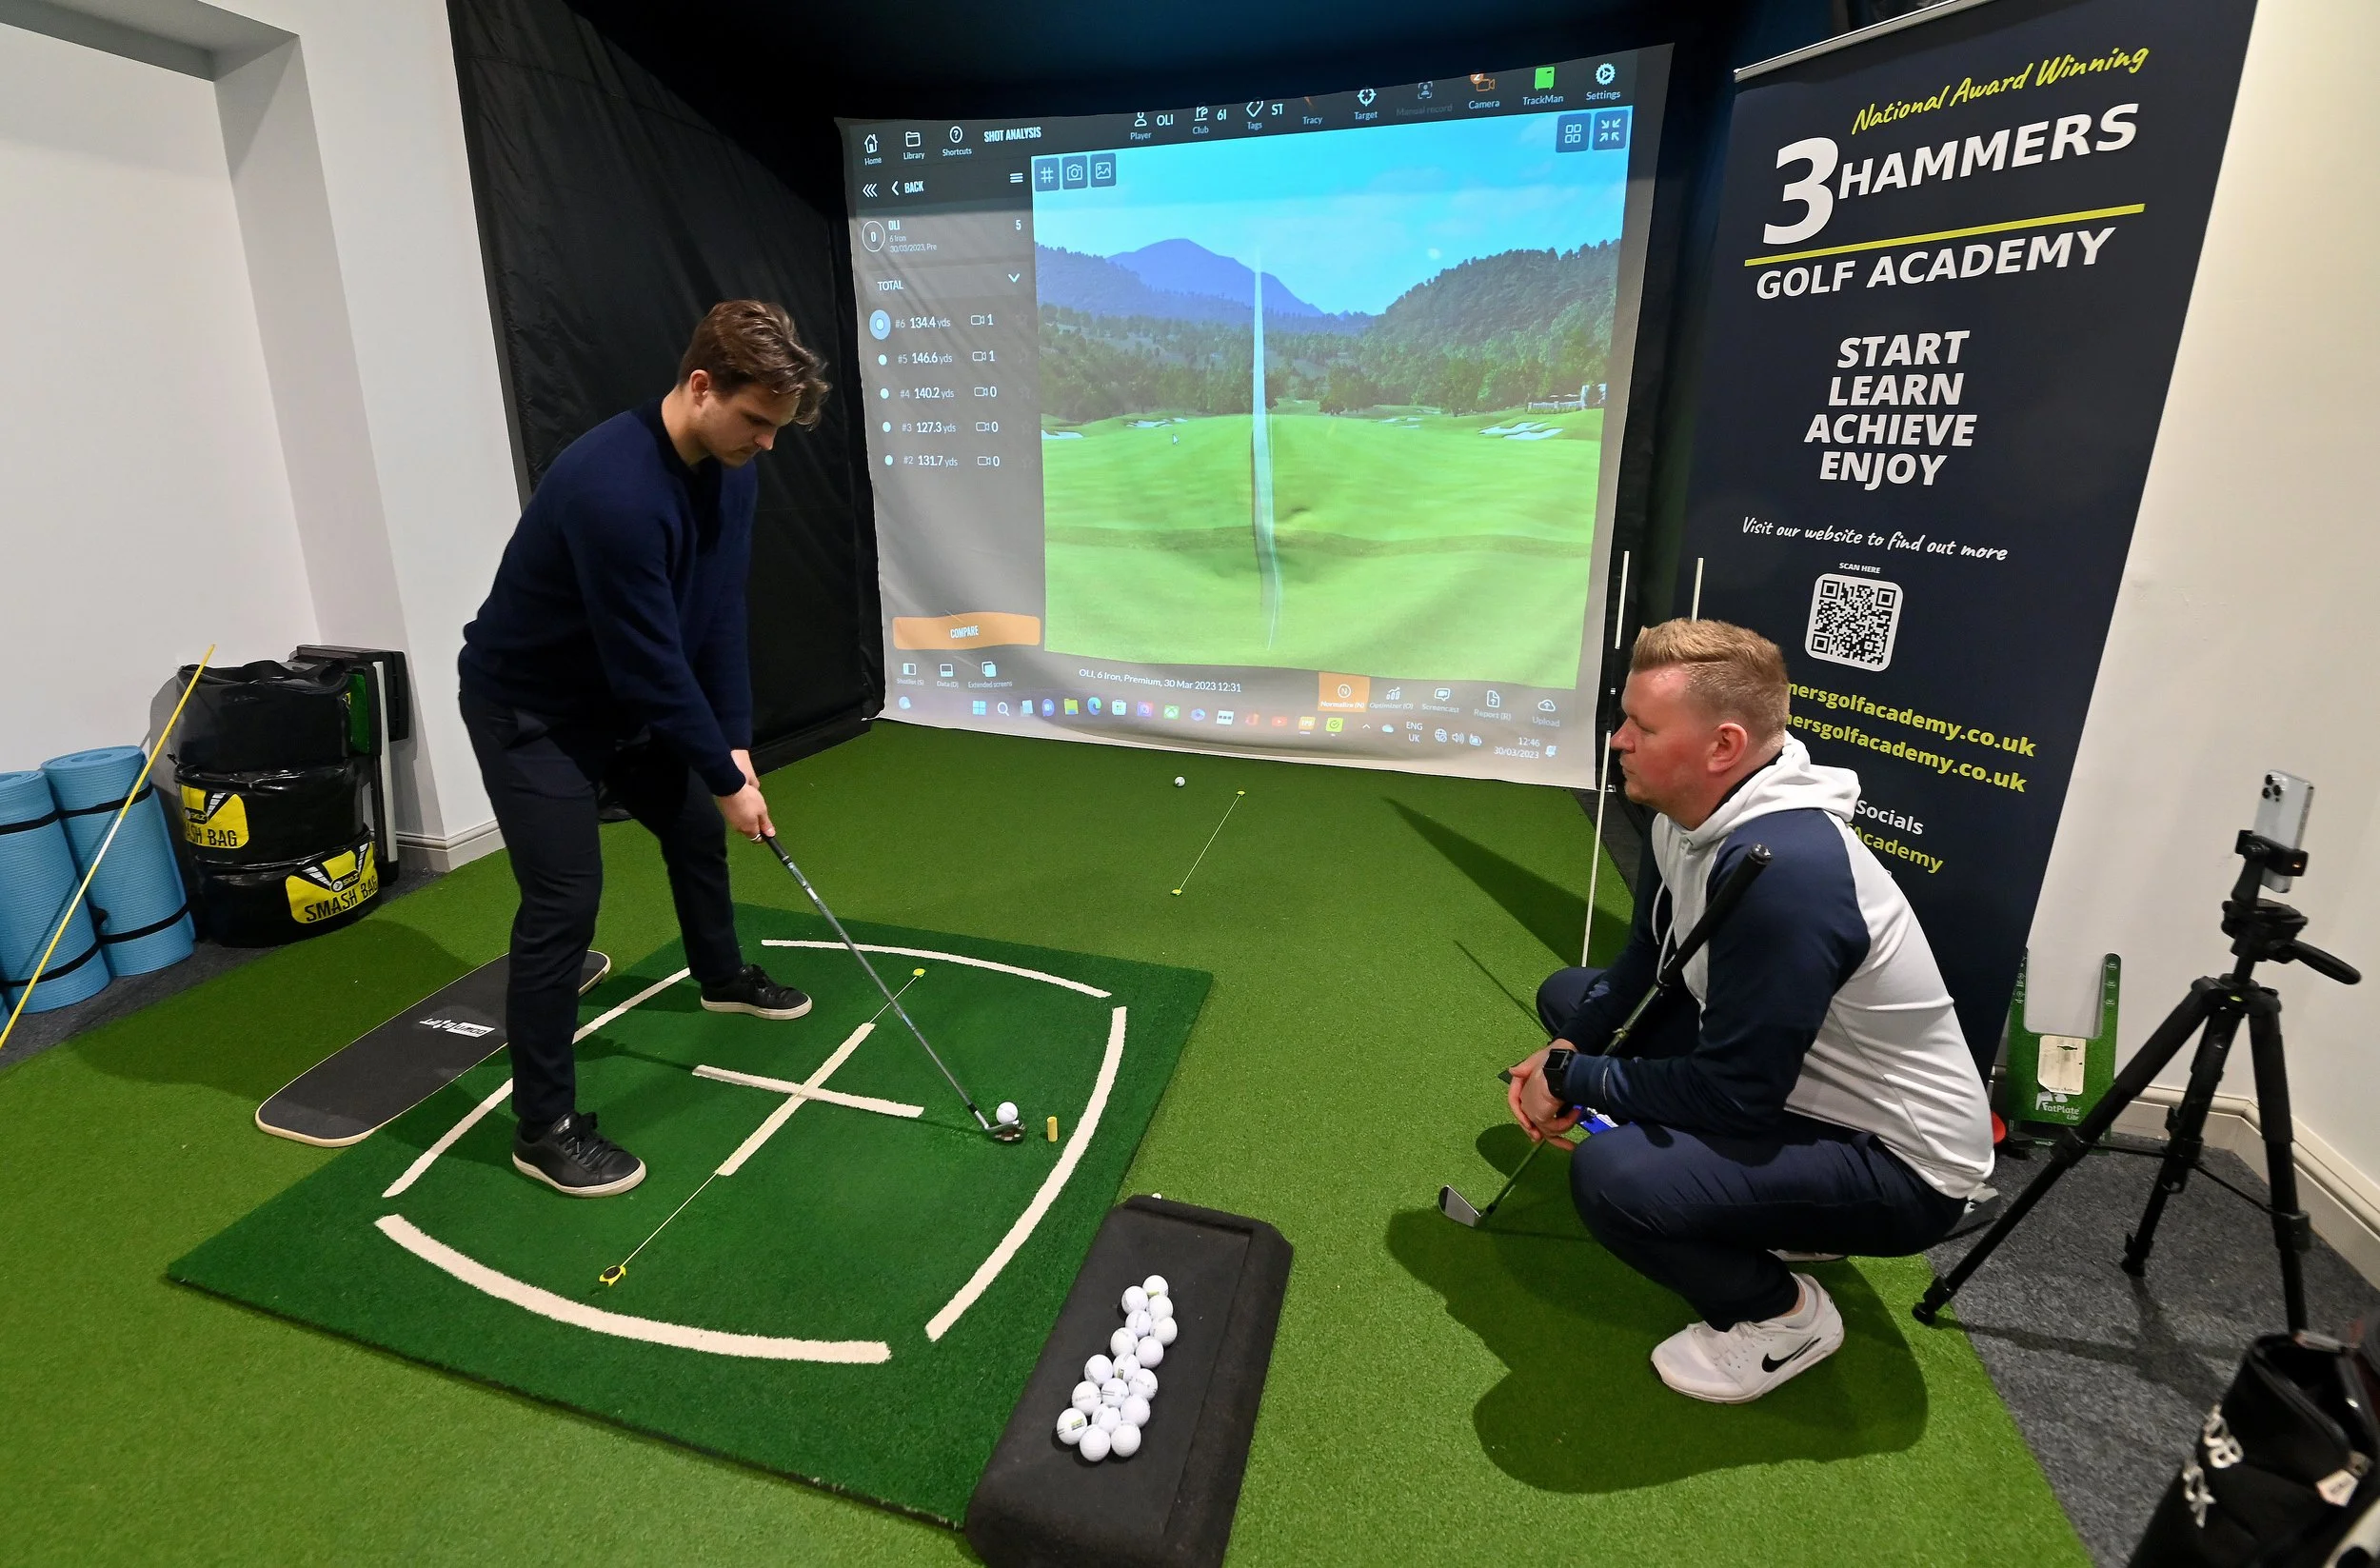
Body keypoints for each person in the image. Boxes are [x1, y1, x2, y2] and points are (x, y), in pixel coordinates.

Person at [1506, 619, 1993, 1402]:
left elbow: (1736, 1094)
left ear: (1723, 746)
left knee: (1614, 1176)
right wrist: (1571, 1046)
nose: (1619, 738)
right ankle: (1764, 1205)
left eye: (1642, 725)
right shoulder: (1685, 817)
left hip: (1903, 1163)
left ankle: (1785, 1319)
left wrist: (1570, 1077)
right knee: (1572, 994)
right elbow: (1647, 961)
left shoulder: (1786, 873)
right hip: (1800, 1084)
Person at [459, 300, 832, 1198]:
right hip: (533, 713)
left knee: (695, 835)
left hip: (618, 700)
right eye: (755, 421)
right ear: (700, 385)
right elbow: (649, 663)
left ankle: (720, 974)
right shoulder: (612, 489)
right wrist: (718, 774)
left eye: (779, 428)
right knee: (563, 903)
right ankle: (543, 1126)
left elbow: (715, 615)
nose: (767, 443)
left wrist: (735, 744)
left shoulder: (734, 468)